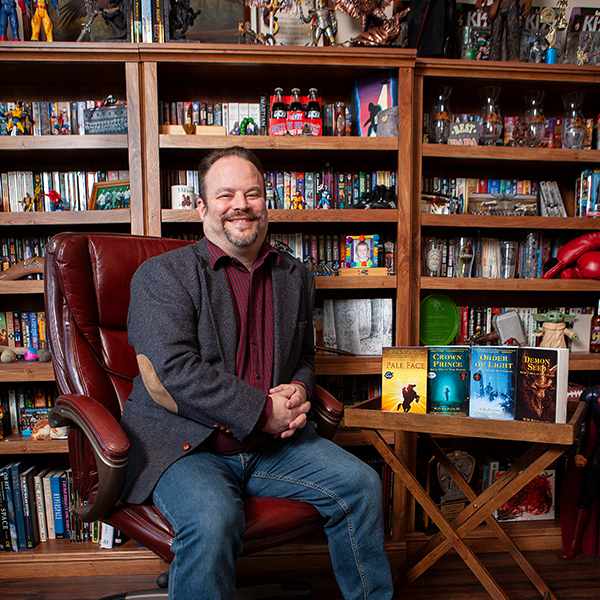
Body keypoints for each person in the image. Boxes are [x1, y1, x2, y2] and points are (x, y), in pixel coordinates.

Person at [120, 146, 393, 600]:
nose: (240, 205)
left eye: (252, 193)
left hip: (272, 449)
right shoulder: (161, 275)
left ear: (267, 201)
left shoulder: (295, 275)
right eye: (225, 194)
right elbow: (173, 372)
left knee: (362, 485)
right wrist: (263, 410)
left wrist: (300, 391)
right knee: (212, 520)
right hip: (189, 446)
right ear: (202, 206)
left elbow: (302, 355)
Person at [559, 385, 600, 560]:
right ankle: (574, 543)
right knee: (585, 496)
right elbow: (582, 427)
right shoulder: (592, 394)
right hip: (599, 450)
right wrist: (578, 453)